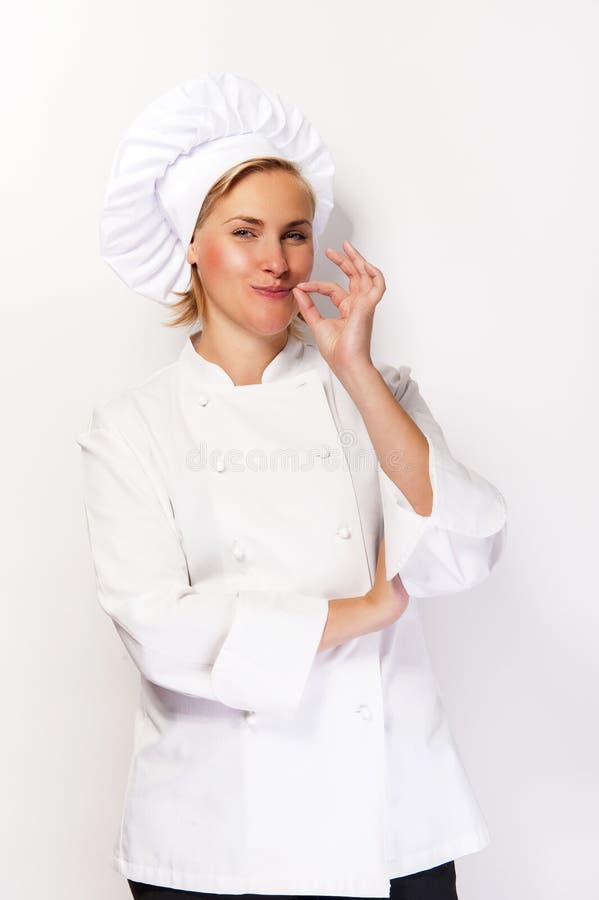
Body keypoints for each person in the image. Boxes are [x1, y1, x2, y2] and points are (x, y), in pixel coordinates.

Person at [76, 73, 507, 900]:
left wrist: (354, 368)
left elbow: (464, 549)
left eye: (296, 233)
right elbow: (159, 631)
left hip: (390, 814)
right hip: (216, 829)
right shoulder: (132, 426)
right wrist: (363, 612)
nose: (277, 261)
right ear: (192, 246)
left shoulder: (381, 394)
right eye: (245, 232)